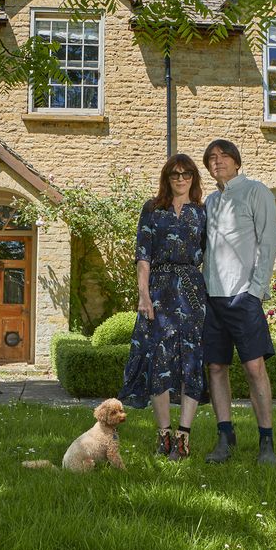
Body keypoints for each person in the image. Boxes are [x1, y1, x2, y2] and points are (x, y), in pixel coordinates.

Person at [119, 153, 208, 461]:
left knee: (190, 359)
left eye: (186, 174)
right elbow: (142, 255)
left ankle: (184, 436)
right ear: (167, 178)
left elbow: (212, 255)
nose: (181, 179)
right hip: (158, 289)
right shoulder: (153, 209)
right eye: (175, 174)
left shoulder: (202, 212)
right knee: (158, 356)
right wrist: (143, 294)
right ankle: (163, 436)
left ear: (194, 178)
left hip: (193, 292)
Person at [201, 139, 276, 465]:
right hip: (213, 297)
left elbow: (269, 240)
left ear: (236, 161)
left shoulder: (256, 191)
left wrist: (256, 289)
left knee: (254, 367)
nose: (217, 162)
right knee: (216, 367)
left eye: (223, 156)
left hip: (243, 296)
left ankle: (266, 442)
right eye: (211, 158)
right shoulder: (210, 201)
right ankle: (224, 436)